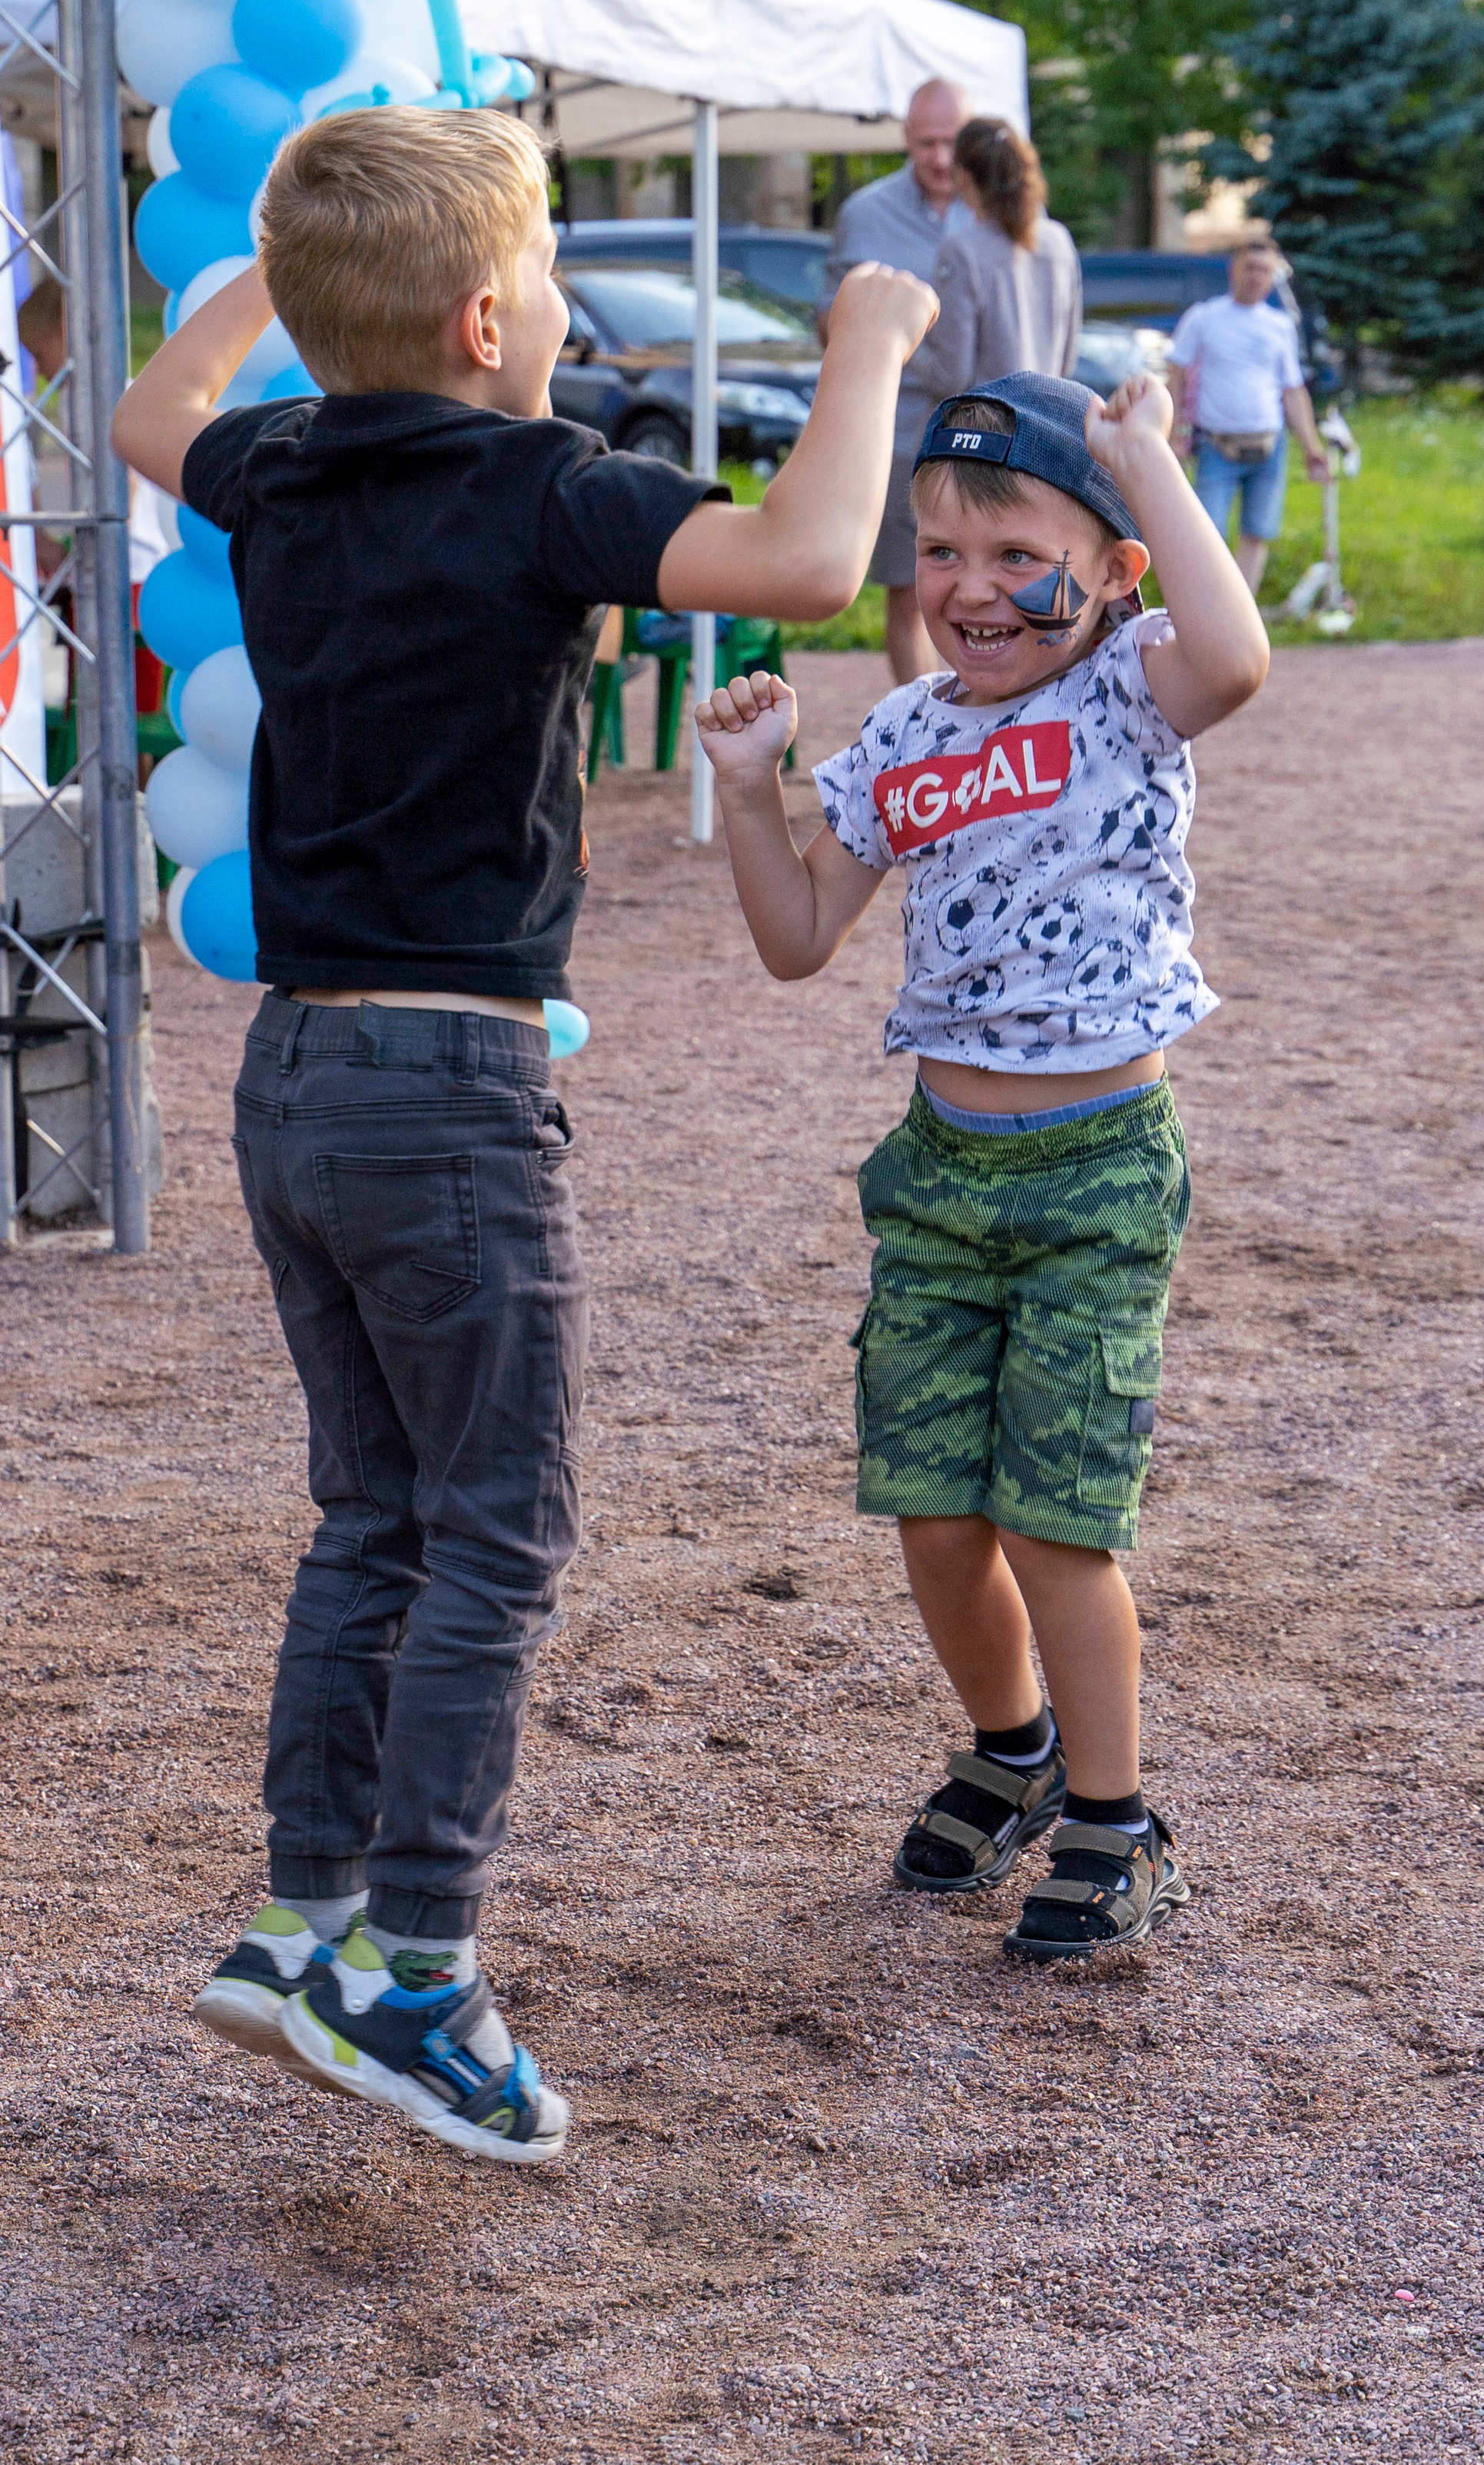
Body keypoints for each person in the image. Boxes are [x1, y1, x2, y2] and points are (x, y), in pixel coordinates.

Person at [111, 104, 938, 2165]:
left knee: (373, 1514)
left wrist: (274, 294)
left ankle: (303, 1924)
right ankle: (417, 1980)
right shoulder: (536, 487)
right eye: (553, 276)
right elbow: (817, 566)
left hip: (291, 1078)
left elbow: (151, 406)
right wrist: (866, 346)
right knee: (492, 1528)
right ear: (492, 319)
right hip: (446, 1096)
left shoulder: (285, 470)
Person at [692, 369, 1268, 1964]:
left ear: (1110, 569)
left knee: (1054, 1520)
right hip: (938, 1173)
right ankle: (1009, 1749)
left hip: (1096, 1168)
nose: (968, 589)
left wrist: (1144, 459)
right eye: (937, 551)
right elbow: (800, 939)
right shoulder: (895, 737)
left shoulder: (1131, 688)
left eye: (1012, 550)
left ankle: (1111, 1815)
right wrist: (748, 796)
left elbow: (1238, 655)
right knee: (934, 1515)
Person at [816, 76, 974, 687]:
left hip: (992, 435)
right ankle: (924, 732)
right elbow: (830, 323)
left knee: (994, 592)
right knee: (913, 593)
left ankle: (991, 735)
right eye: (926, 142)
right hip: (902, 432)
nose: (940, 158)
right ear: (906, 139)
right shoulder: (866, 214)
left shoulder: (1000, 208)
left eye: (952, 142)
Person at [1167, 241, 1330, 593]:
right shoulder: (1205, 317)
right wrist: (1174, 432)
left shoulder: (1279, 326)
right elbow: (1176, 375)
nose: (1256, 277)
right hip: (1216, 445)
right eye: (1250, 268)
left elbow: (1293, 391)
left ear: (1272, 278)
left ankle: (1244, 612)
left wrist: (1311, 446)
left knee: (1258, 532)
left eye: (1264, 270)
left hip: (1269, 446)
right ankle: (1210, 612)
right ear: (1234, 271)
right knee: (1208, 535)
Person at [909, 118, 1082, 416]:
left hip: (983, 440)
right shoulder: (1058, 242)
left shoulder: (962, 251)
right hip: (1042, 429)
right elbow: (1067, 359)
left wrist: (902, 341)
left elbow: (951, 377)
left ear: (963, 176)